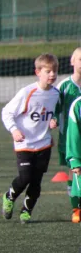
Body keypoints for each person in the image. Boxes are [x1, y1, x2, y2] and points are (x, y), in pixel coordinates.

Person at [1, 53, 61, 224]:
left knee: (36, 181)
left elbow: (56, 113)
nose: (52, 75)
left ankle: (26, 211)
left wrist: (54, 120)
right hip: (25, 144)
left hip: (44, 145)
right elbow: (7, 112)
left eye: (55, 71)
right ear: (38, 72)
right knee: (25, 177)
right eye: (48, 71)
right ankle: (9, 197)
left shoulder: (56, 94)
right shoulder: (27, 92)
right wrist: (14, 130)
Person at [56, 47, 81, 222]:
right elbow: (53, 108)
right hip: (68, 138)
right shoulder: (64, 86)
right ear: (72, 62)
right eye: (80, 59)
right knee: (74, 171)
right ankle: (76, 207)